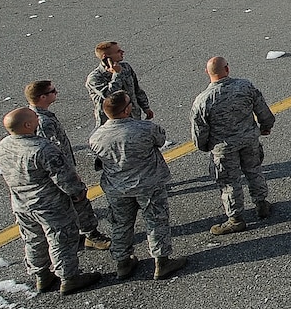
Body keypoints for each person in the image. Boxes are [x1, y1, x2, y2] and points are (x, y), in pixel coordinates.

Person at [0, 107, 102, 295]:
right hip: (50, 205)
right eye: (35, 118)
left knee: (33, 240)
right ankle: (69, 278)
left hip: (21, 204)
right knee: (61, 239)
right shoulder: (42, 149)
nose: (38, 119)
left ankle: (41, 276)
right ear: (27, 125)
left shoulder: (1, 147)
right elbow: (63, 177)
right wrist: (78, 193)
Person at [90, 93, 188, 280]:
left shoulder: (96, 137)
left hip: (117, 188)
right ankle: (161, 261)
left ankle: (122, 262)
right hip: (148, 184)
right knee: (156, 220)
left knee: (120, 224)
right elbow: (160, 140)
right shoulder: (145, 128)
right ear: (126, 109)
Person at [190, 56, 276, 235]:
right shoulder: (245, 86)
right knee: (254, 171)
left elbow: (199, 131)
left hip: (223, 148)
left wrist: (206, 146)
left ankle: (235, 218)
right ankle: (261, 203)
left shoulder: (202, 100)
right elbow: (263, 110)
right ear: (227, 69)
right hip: (249, 140)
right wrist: (265, 126)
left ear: (207, 73)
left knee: (229, 182)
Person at [24, 81, 109, 251]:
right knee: (79, 200)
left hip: (59, 170)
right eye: (52, 91)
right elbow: (52, 151)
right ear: (42, 97)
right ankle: (91, 235)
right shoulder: (43, 122)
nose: (57, 92)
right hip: (60, 172)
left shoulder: (35, 116)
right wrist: (69, 174)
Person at [85, 41, 152, 127]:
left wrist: (146, 107)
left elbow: (136, 89)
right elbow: (109, 96)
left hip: (133, 117)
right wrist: (117, 74)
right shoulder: (95, 78)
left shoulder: (126, 67)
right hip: (111, 124)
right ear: (105, 56)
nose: (122, 52)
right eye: (118, 51)